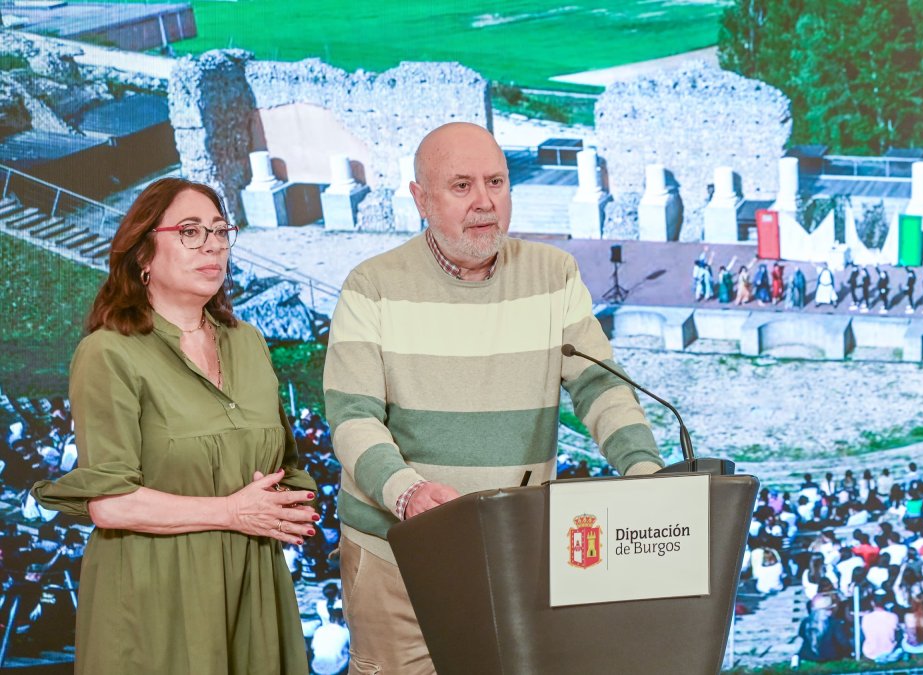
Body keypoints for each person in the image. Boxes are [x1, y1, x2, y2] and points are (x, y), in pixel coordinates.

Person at [323, 122, 664, 674]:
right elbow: (352, 417)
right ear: (420, 199)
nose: (485, 202)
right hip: (396, 557)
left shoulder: (554, 275)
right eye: (461, 186)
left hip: (515, 553)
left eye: (497, 182)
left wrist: (645, 472)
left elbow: (600, 384)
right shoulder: (371, 285)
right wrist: (407, 494)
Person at [30, 178, 319, 674]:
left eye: (219, 231)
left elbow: (284, 466)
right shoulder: (108, 353)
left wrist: (290, 506)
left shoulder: (248, 341)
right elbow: (109, 503)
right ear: (143, 254)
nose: (212, 244)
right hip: (158, 599)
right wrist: (231, 511)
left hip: (257, 590)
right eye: (190, 231)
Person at [860, 593, 903, 664]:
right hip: (889, 651)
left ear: (872, 603)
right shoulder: (893, 616)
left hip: (870, 652)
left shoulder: (866, 617)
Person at [310, 608, 351, 675]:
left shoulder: (319, 630)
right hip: (336, 669)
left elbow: (312, 647)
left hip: (317, 668)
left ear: (330, 619)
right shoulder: (346, 632)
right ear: (343, 620)